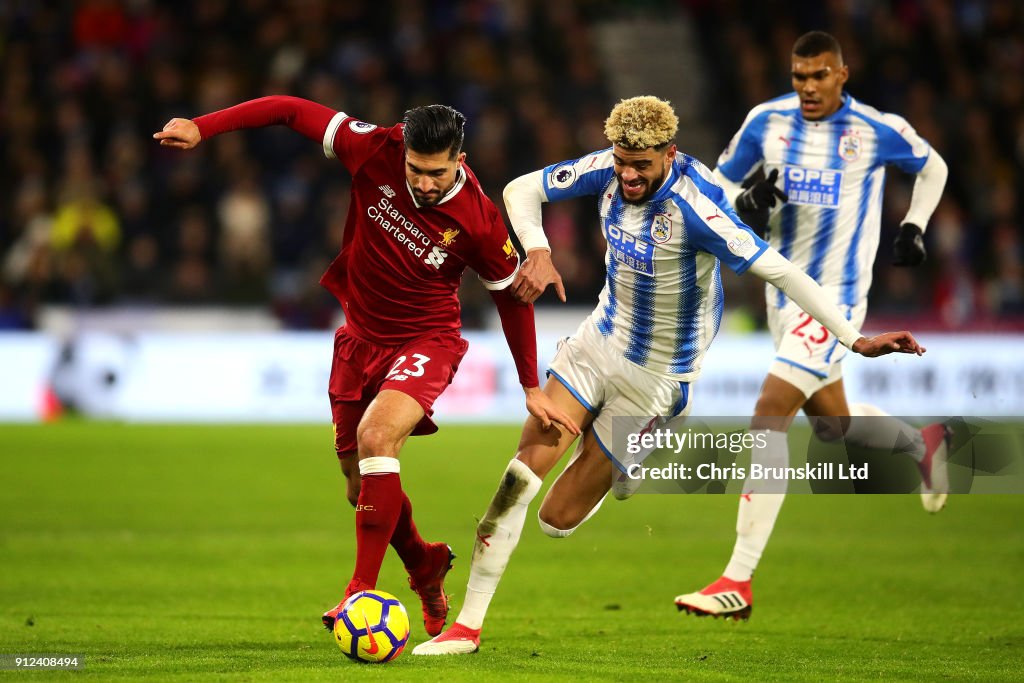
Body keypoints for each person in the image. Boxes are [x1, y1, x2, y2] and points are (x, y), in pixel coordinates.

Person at [412, 95, 924, 655]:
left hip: (657, 378)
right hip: (596, 343)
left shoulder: (697, 210)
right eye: (621, 162)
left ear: (668, 154)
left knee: (556, 520)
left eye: (641, 166)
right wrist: (538, 250)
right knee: (517, 483)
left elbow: (779, 270)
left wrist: (855, 338)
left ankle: (626, 453)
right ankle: (467, 628)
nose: (628, 175)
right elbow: (520, 190)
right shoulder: (605, 168)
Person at [153, 97, 579, 638]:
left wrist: (528, 384)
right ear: (403, 152)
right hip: (359, 339)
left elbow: (511, 298)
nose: (425, 184)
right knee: (360, 487)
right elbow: (288, 109)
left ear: (460, 159)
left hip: (427, 340)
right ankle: (424, 563)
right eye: (416, 171)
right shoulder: (375, 147)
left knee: (378, 437)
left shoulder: (478, 219)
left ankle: (360, 592)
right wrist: (202, 126)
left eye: (438, 173)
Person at [673, 31, 951, 621]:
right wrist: (744, 200)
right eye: (799, 77)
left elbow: (935, 167)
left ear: (841, 75)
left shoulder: (875, 130)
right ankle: (919, 441)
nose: (807, 88)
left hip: (838, 300)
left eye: (819, 76)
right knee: (833, 426)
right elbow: (719, 183)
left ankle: (737, 581)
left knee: (769, 412)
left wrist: (915, 225)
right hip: (782, 296)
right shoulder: (766, 121)